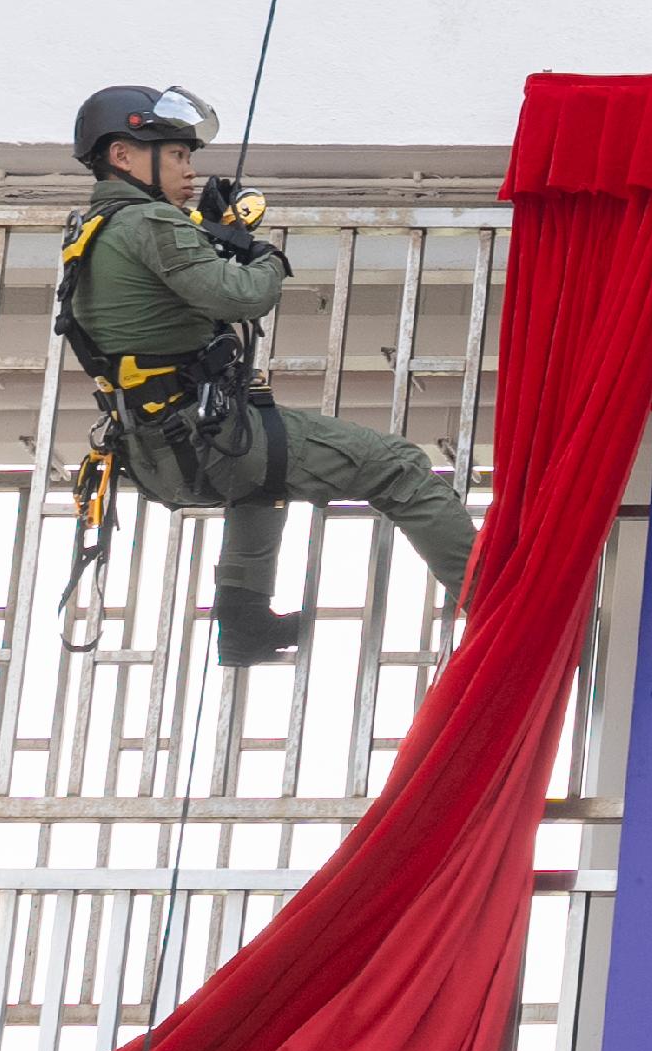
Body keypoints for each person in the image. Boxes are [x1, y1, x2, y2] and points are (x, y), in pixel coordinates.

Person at [59, 85, 477, 664]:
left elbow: (165, 305)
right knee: (401, 468)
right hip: (210, 441)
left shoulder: (92, 228)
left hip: (159, 451)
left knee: (263, 486)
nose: (190, 168)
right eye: (178, 154)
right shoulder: (151, 222)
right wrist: (267, 257)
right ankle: (495, 610)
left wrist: (204, 229)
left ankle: (244, 620)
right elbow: (238, 297)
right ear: (124, 156)